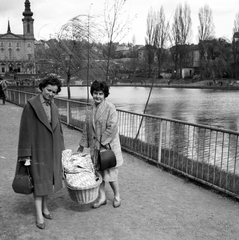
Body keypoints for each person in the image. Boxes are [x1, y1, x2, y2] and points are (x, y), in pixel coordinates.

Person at [16, 75, 65, 230]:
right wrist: (25, 155)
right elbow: (25, 131)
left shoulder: (54, 107)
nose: (51, 94)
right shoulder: (31, 105)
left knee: (46, 181)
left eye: (54, 92)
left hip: (51, 150)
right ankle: (39, 214)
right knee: (38, 182)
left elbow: (59, 132)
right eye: (49, 90)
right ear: (42, 88)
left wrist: (62, 151)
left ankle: (45, 208)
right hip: (37, 150)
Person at [77, 80, 123, 208]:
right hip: (95, 148)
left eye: (100, 94)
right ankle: (102, 197)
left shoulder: (110, 108)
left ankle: (117, 196)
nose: (97, 96)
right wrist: (81, 146)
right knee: (99, 174)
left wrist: (102, 142)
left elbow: (112, 127)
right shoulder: (89, 109)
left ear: (105, 95)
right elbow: (86, 129)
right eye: (95, 93)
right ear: (92, 93)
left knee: (111, 173)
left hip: (108, 148)